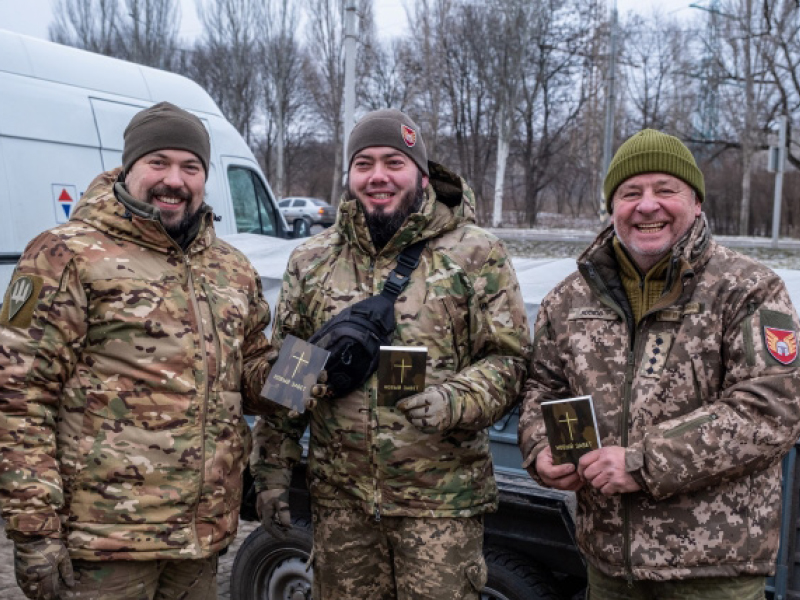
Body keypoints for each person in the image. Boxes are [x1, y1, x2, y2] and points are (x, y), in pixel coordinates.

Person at [250, 108, 531, 599]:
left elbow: (509, 361)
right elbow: (290, 372)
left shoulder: (475, 254)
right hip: (342, 507)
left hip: (441, 506)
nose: (378, 176)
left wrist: (456, 399)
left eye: (393, 163)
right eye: (364, 164)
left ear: (421, 175)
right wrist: (272, 473)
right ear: (350, 176)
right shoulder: (312, 261)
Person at [0, 102, 275, 600]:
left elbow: (252, 377)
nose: (175, 179)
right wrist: (34, 528)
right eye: (159, 162)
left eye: (191, 167)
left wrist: (315, 364)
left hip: (198, 543)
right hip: (103, 547)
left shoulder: (231, 269)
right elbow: (18, 396)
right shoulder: (66, 254)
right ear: (129, 168)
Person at [519, 129, 800, 599]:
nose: (647, 205)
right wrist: (538, 447)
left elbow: (772, 409)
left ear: (697, 203)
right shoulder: (568, 299)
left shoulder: (748, 289)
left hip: (713, 573)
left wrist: (643, 462)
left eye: (665, 190)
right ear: (614, 207)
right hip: (609, 567)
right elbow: (541, 388)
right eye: (631, 193)